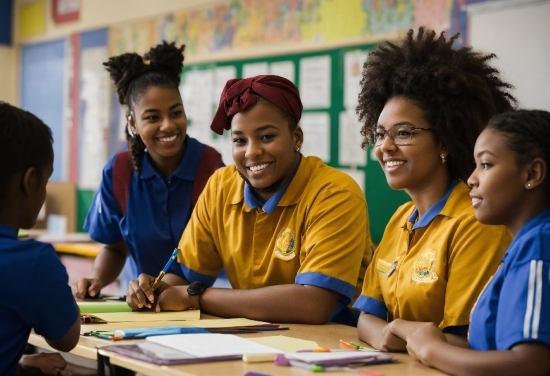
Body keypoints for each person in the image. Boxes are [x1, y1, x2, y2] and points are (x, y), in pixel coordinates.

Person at [126, 75, 373, 326]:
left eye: (266, 137)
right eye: (239, 140)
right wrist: (153, 291)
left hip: (337, 346)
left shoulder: (334, 194)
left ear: (296, 137)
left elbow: (314, 304)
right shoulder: (220, 187)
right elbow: (185, 276)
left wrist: (197, 297)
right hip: (259, 338)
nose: (251, 152)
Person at [353, 27, 517, 350]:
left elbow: (463, 341)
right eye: (380, 133)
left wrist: (397, 332)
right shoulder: (401, 219)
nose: (384, 147)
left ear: (443, 140)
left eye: (403, 133)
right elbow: (365, 317)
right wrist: (390, 334)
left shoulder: (475, 223)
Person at [73, 42, 223, 299]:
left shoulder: (211, 169)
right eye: (152, 117)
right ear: (133, 122)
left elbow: (215, 256)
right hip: (140, 303)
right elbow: (115, 248)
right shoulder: (119, 172)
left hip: (203, 302)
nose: (168, 126)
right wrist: (96, 279)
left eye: (176, 113)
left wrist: (164, 287)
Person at [406, 109, 550, 376]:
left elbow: (531, 364)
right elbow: (491, 349)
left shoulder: (540, 244)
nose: (471, 178)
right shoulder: (522, 246)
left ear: (532, 174)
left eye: (486, 165)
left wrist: (432, 351)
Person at [0, 102, 80, 376]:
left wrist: (18, 365)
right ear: (30, 181)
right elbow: (66, 339)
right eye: (46, 180)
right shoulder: (31, 263)